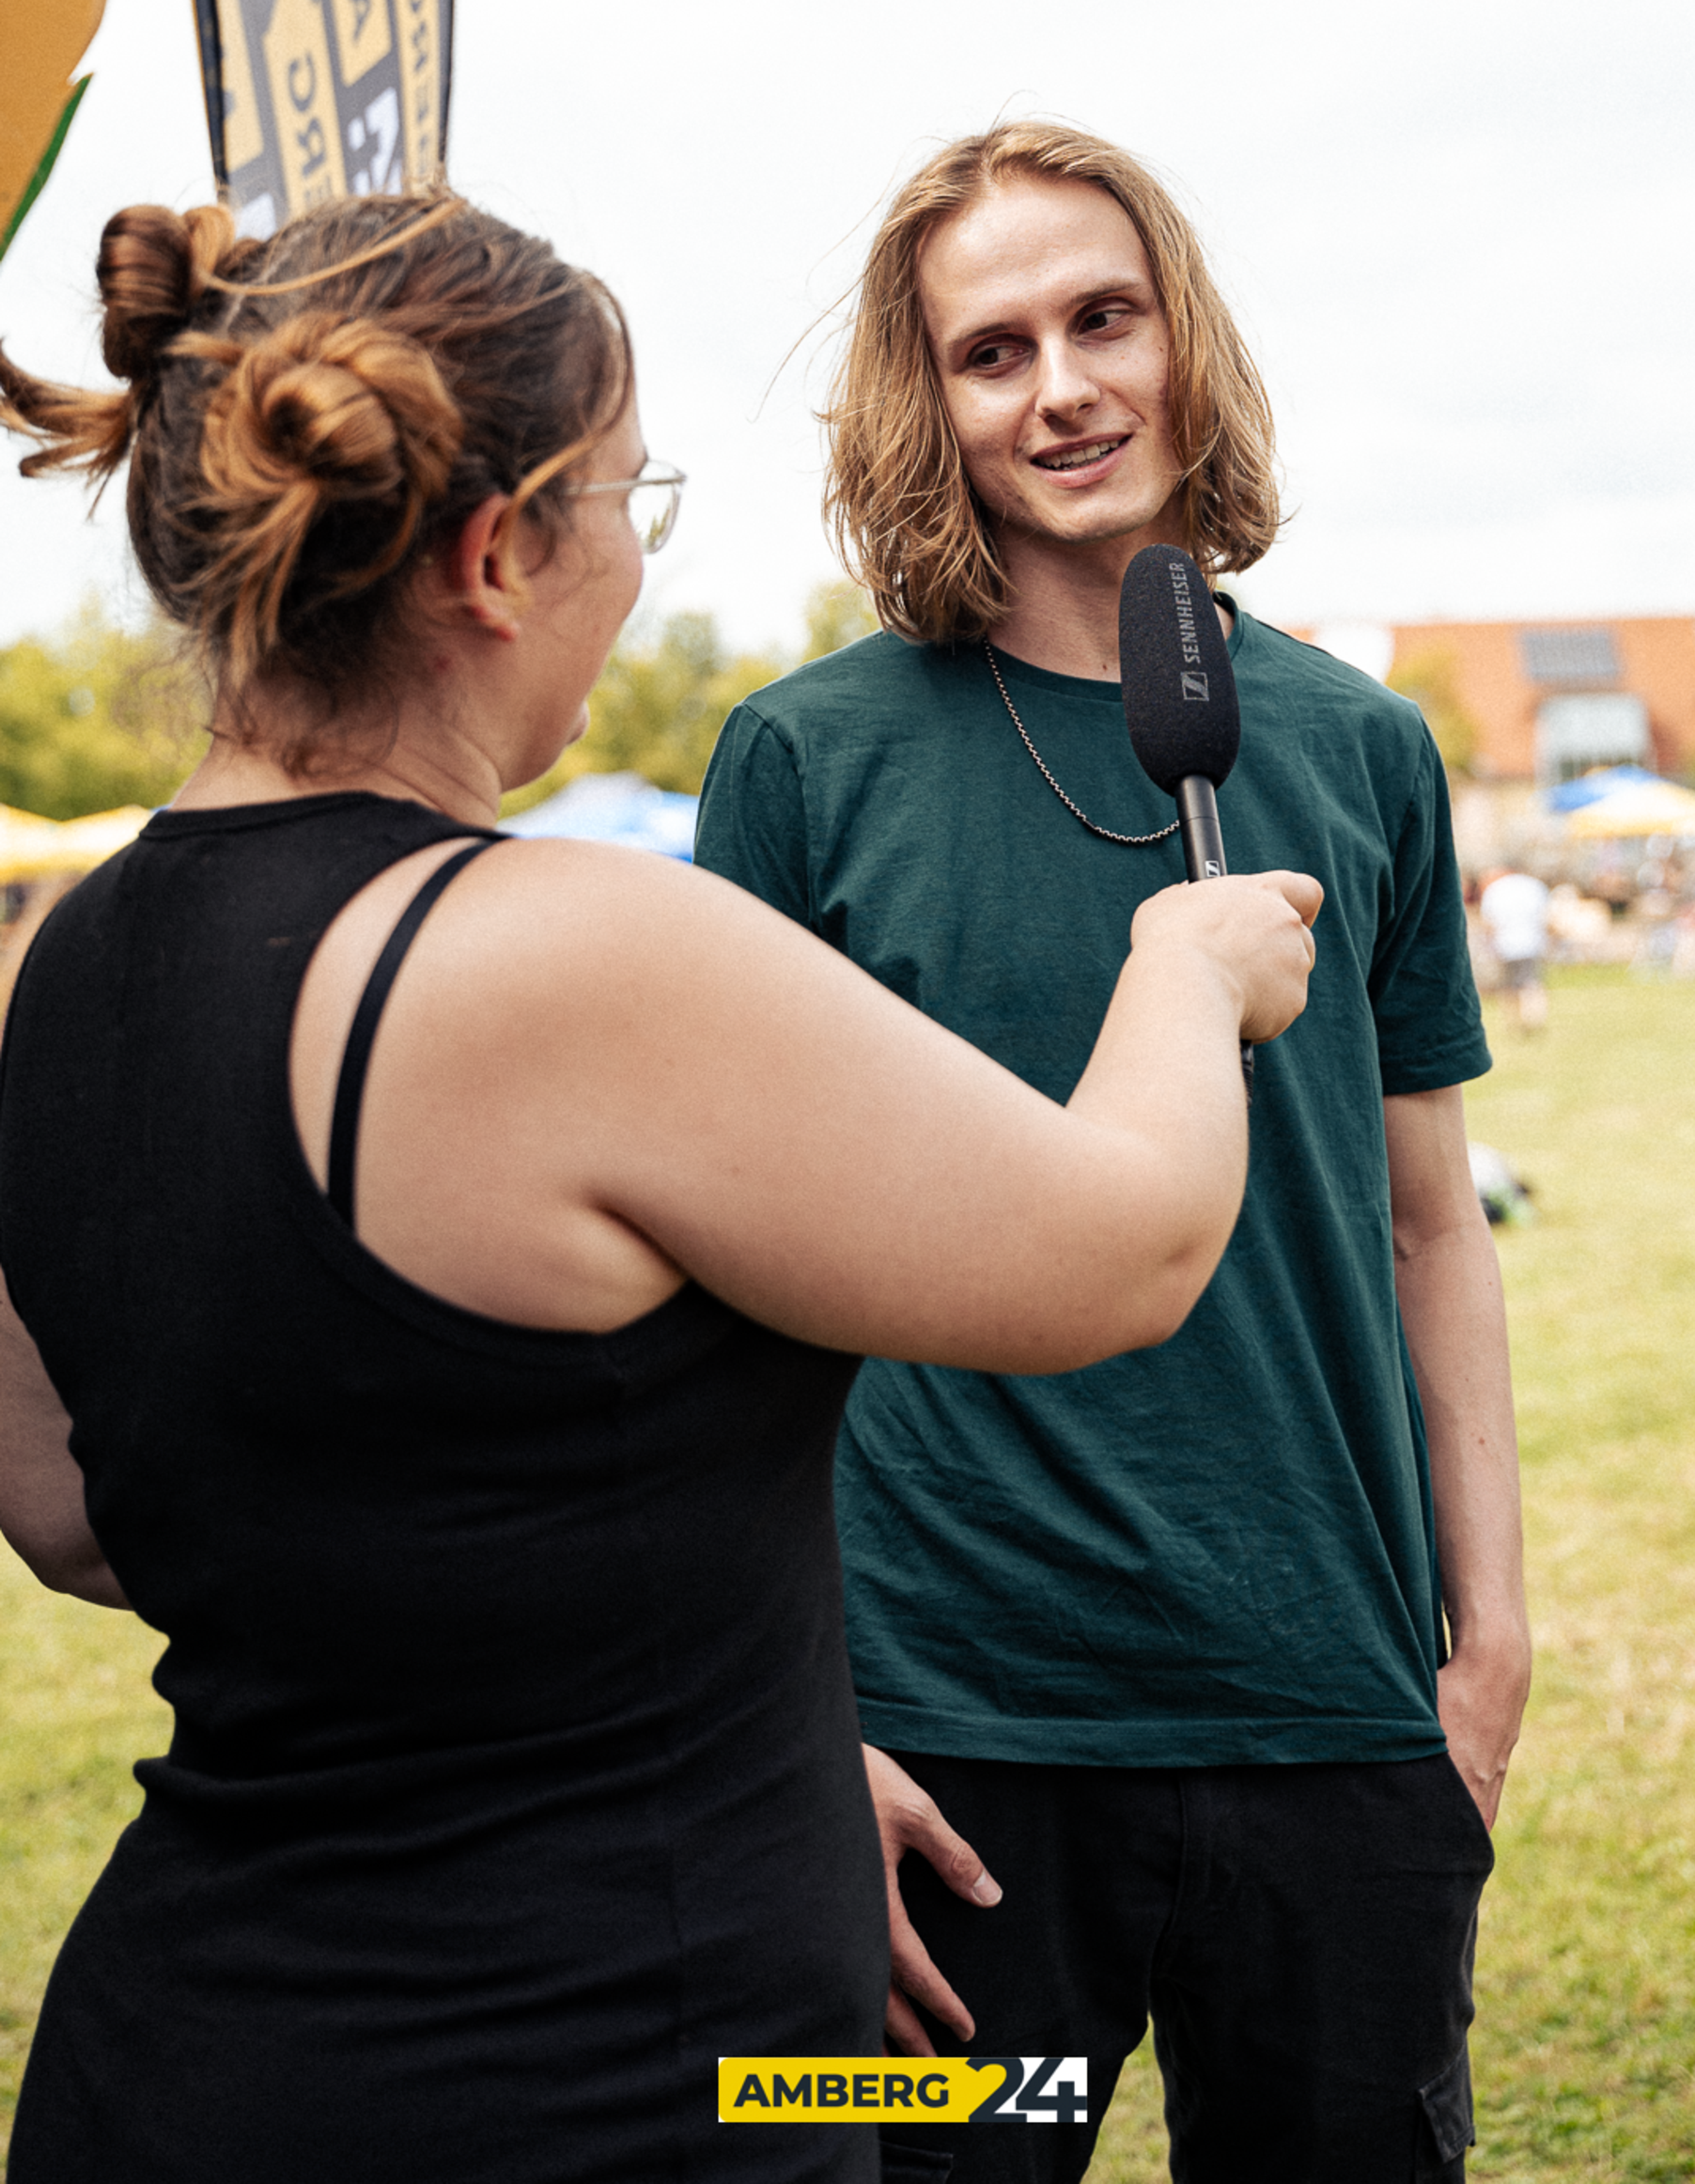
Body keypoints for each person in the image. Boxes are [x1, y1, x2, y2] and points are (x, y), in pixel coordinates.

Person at [0, 189, 1319, 2184]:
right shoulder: (566, 952)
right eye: (631, 497)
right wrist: (1184, 969)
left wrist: (755, 1746)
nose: (637, 552)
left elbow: (76, 1512)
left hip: (176, 2060)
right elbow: (1119, 1246)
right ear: (497, 554)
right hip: (579, 2082)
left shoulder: (53, 971)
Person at [695, 120, 1531, 2183]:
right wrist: (801, 1734)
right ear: (935, 410)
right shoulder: (807, 760)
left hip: (1334, 1716)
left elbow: (1432, 1229)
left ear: (1182, 343)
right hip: (944, 1744)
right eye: (992, 353)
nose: (1061, 387)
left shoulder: (1363, 746)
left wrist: (1486, 1641)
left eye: (1102, 319)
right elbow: (724, 1297)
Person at [1479, 866, 1551, 1032]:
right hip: (1531, 942)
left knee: (1508, 986)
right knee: (1531, 983)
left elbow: (1489, 921)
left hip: (1504, 944)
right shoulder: (1534, 886)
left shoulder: (1495, 889)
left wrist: (1488, 944)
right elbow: (1546, 915)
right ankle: (1534, 1021)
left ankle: (1514, 1023)